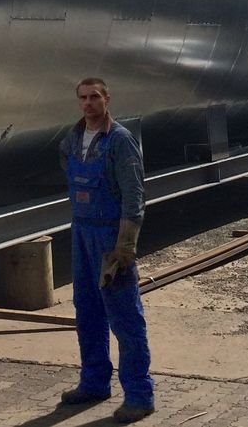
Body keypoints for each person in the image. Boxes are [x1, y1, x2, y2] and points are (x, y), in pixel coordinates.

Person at [58, 77, 155, 423]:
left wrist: (125, 245)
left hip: (110, 237)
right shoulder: (71, 140)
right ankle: (94, 382)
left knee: (125, 317)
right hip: (82, 232)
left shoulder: (120, 141)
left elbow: (134, 195)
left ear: (106, 99)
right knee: (87, 311)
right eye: (83, 98)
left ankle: (140, 396)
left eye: (94, 97)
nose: (88, 103)